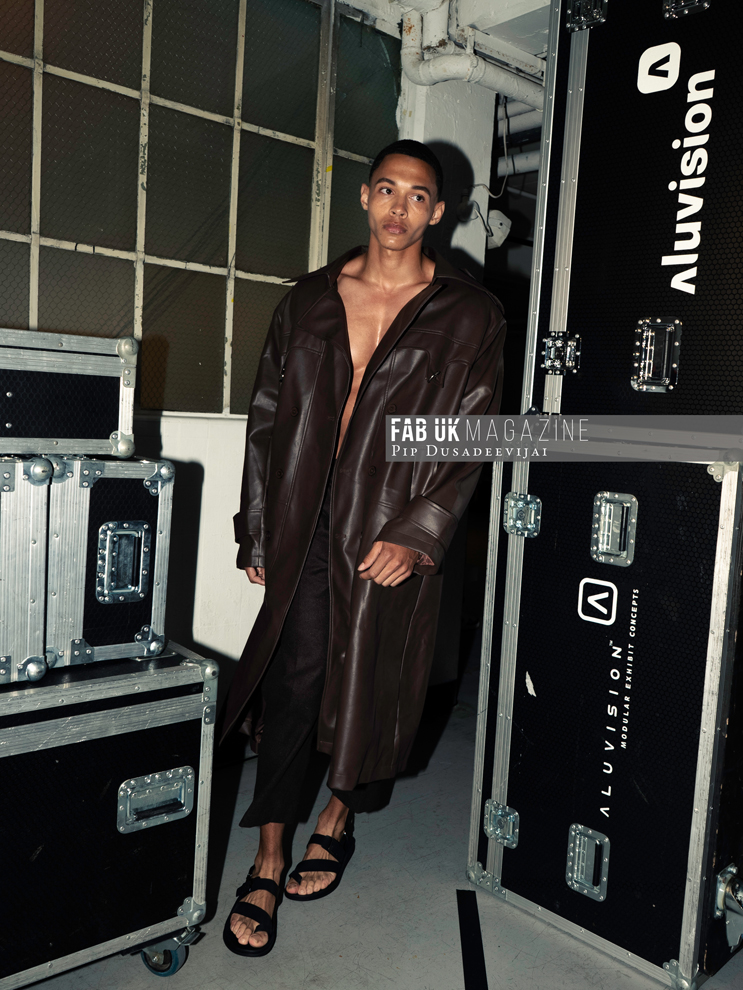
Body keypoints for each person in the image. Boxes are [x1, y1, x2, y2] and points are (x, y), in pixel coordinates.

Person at [221, 139, 506, 956]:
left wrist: (418, 533)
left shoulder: (471, 313)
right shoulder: (308, 300)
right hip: (305, 522)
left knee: (374, 685)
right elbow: (267, 418)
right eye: (387, 189)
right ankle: (268, 856)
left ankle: (337, 819)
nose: (398, 208)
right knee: (292, 684)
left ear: (438, 211)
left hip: (388, 527)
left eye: (417, 196)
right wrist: (256, 526)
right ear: (363, 196)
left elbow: (473, 436)